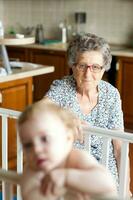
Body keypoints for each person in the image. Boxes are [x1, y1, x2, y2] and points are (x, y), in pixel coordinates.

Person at [44, 33, 130, 192]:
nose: (88, 74)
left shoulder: (111, 95)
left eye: (95, 67)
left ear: (104, 68)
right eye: (82, 66)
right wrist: (65, 118)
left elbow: (120, 149)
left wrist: (125, 190)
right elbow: (38, 110)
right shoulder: (62, 88)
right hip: (70, 175)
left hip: (105, 177)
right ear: (72, 65)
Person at [18, 99, 117, 200]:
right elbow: (29, 195)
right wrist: (59, 193)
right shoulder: (32, 170)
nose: (36, 149)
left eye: (45, 139)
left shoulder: (77, 158)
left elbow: (108, 183)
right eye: (28, 145)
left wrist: (66, 177)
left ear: (68, 138)